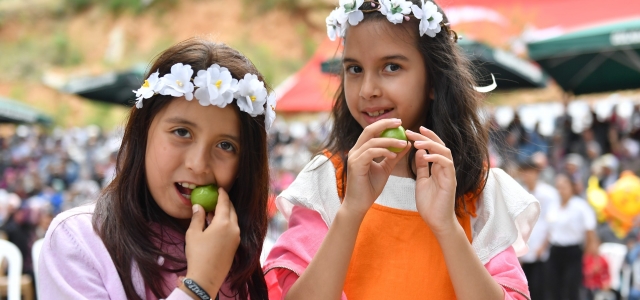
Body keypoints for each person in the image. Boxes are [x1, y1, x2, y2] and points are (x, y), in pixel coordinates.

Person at [263, 1, 539, 299]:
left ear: (434, 80)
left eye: (391, 67)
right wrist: (352, 211)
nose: (368, 88)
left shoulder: (479, 191)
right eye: (354, 69)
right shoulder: (327, 181)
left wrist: (447, 227)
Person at [38, 38, 277, 300]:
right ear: (143, 132)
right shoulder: (79, 241)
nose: (197, 165)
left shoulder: (244, 259)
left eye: (225, 145)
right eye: (182, 132)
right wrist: (200, 285)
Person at [546, 173, 597, 300]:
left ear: (571, 187)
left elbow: (590, 232)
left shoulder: (581, 206)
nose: (560, 190)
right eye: (558, 187)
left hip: (573, 251)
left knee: (571, 287)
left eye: (563, 186)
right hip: (555, 250)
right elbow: (550, 229)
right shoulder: (554, 205)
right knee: (553, 286)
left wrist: (588, 254)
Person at [517, 160, 560, 300]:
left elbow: (552, 222)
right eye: (525, 171)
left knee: (543, 288)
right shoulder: (520, 192)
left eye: (530, 171)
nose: (527, 175)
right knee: (526, 288)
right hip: (525, 247)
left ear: (537, 173)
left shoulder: (549, 193)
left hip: (542, 248)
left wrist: (544, 244)